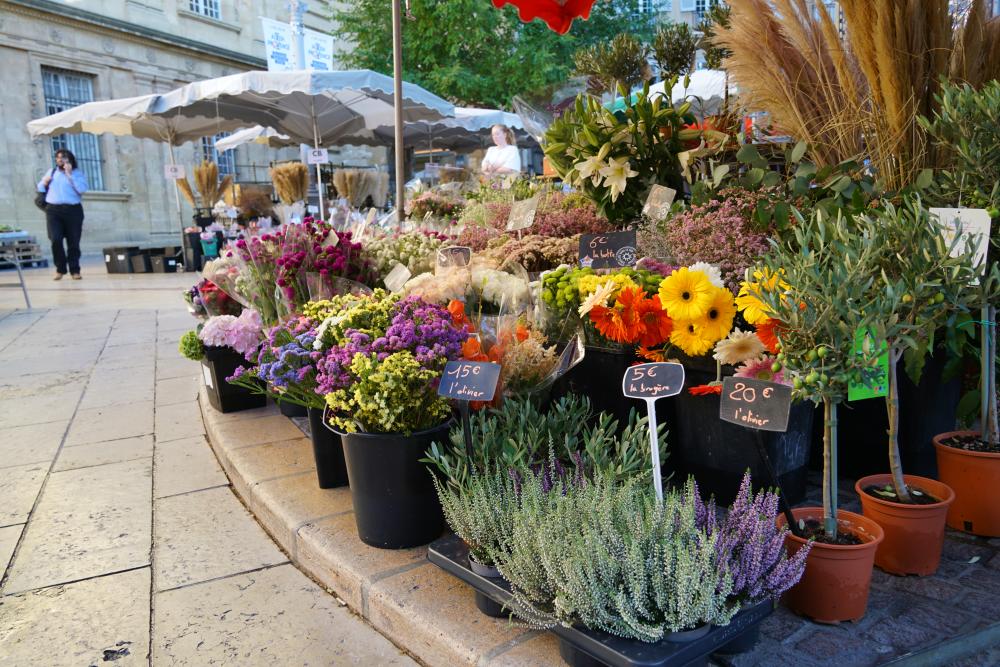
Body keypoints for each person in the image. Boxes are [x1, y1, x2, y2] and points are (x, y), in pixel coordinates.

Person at [37, 148, 88, 280]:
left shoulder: (77, 174)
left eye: (63, 157)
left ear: (70, 160)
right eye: (58, 157)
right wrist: (44, 182)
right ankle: (60, 269)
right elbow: (40, 188)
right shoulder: (52, 172)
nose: (60, 160)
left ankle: (75, 270)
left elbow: (82, 189)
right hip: (53, 210)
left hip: (73, 210)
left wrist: (70, 175)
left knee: (73, 242)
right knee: (55, 239)